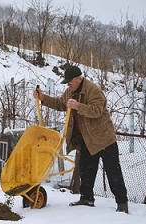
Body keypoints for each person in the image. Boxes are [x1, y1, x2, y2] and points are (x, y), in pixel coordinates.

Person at [34, 66, 129, 213]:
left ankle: (122, 204)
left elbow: (97, 111)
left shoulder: (93, 90)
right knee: (86, 170)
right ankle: (86, 198)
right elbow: (61, 103)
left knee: (113, 172)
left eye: (70, 82)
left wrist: (78, 106)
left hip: (104, 138)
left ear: (79, 79)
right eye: (67, 82)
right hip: (87, 139)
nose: (68, 85)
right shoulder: (71, 91)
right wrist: (43, 98)